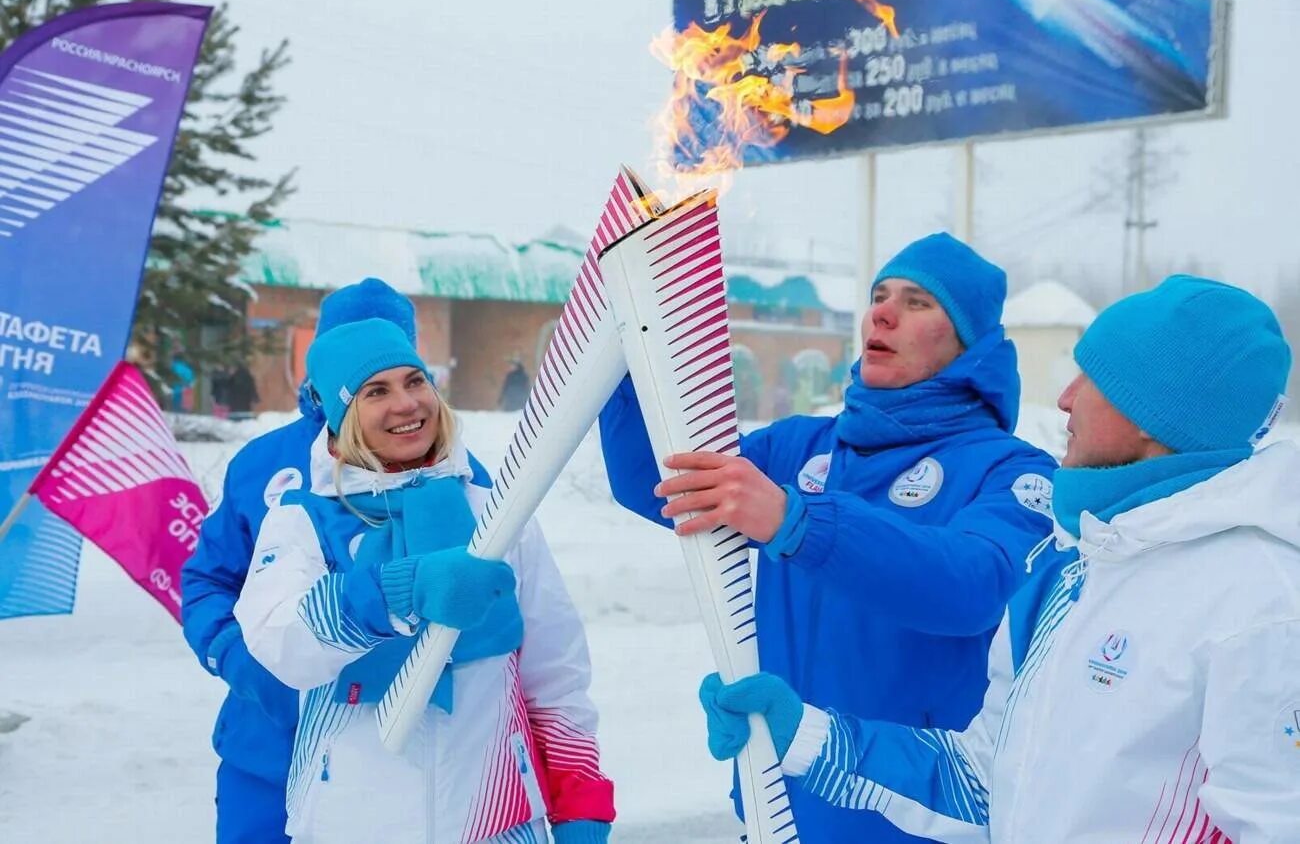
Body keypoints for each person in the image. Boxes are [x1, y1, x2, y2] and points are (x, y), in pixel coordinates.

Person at [700, 275, 1300, 842]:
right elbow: (986, 783)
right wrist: (802, 734)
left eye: (1090, 377)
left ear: (1152, 413)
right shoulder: (1073, 572)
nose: (1064, 399)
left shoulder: (1262, 606)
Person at [599, 233, 1058, 842]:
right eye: (879, 295)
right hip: (775, 814)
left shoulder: (1013, 472)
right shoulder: (801, 447)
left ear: (970, 343)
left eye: (918, 302)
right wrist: (627, 347)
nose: (884, 312)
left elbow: (972, 586)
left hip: (912, 824)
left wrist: (799, 522)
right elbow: (654, 483)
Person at [234, 317, 614, 843]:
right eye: (376, 391)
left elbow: (555, 675)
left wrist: (580, 801)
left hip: (497, 820)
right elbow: (284, 642)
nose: (407, 403)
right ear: (342, 417)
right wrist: (401, 590)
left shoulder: (496, 516)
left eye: (416, 381)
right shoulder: (302, 520)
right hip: (354, 824)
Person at [181, 278, 491, 844]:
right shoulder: (264, 464)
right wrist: (238, 657)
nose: (397, 400)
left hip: (380, 757)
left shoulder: (458, 477)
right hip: (267, 743)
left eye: (405, 373)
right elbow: (209, 577)